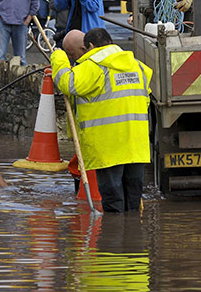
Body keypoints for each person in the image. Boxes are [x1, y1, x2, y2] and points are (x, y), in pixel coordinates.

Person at [50, 27, 152, 213]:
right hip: (137, 146)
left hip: (109, 148)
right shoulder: (137, 66)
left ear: (90, 46)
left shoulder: (95, 65)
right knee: (133, 202)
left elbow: (68, 83)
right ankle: (134, 237)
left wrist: (59, 58)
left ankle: (112, 238)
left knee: (113, 204)